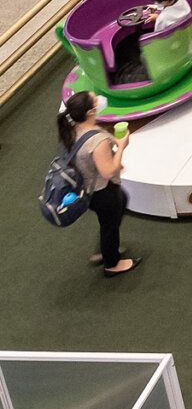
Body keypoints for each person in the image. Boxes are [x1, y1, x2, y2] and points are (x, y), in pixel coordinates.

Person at [61, 91, 135, 277]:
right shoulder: (97, 140)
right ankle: (112, 264)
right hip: (102, 191)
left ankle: (105, 251)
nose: (100, 102)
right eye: (96, 102)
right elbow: (108, 171)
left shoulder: (71, 130)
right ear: (89, 112)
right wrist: (121, 147)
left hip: (86, 188)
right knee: (109, 223)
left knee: (119, 205)